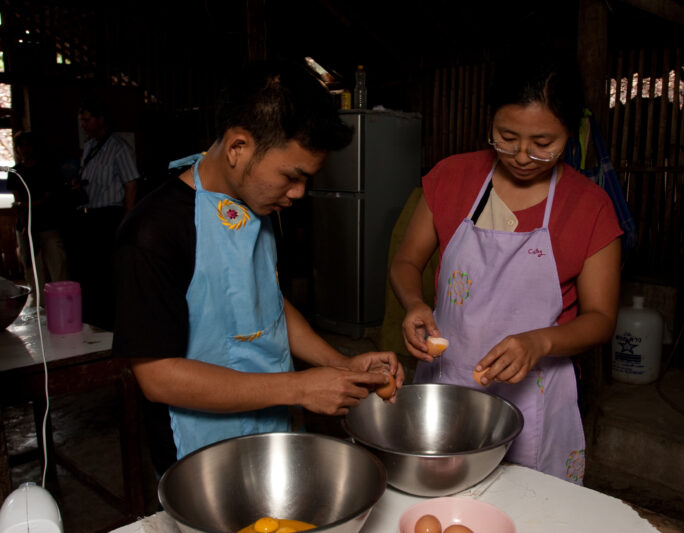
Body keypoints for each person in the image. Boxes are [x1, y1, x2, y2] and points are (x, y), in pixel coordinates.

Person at [112, 59, 404, 468]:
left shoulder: (257, 206)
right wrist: (300, 388)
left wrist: (339, 364)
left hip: (275, 432)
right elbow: (157, 376)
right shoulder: (152, 233)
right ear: (237, 147)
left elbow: (268, 301)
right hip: (202, 457)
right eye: (291, 176)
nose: (299, 193)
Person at [389, 54, 622, 484]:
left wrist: (541, 341)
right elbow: (406, 261)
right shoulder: (452, 177)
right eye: (507, 136)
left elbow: (602, 319)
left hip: (535, 396)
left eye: (543, 143)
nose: (522, 156)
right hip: (449, 384)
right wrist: (414, 303)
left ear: (571, 132)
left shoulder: (589, 207)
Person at [71, 95, 139, 329]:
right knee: (87, 272)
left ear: (101, 120)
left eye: (87, 120)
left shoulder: (119, 148)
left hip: (109, 216)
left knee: (106, 273)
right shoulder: (89, 147)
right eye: (81, 120)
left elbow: (131, 183)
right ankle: (90, 318)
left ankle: (110, 321)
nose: (83, 125)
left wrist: (127, 221)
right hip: (88, 215)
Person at [7, 131, 70, 299]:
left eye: (28, 145)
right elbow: (18, 200)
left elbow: (47, 199)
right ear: (18, 149)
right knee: (33, 271)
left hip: (49, 225)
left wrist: (26, 204)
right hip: (28, 227)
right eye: (22, 145)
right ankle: (38, 305)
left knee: (58, 267)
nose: (25, 149)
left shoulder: (46, 169)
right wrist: (23, 213)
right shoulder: (15, 172)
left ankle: (62, 302)